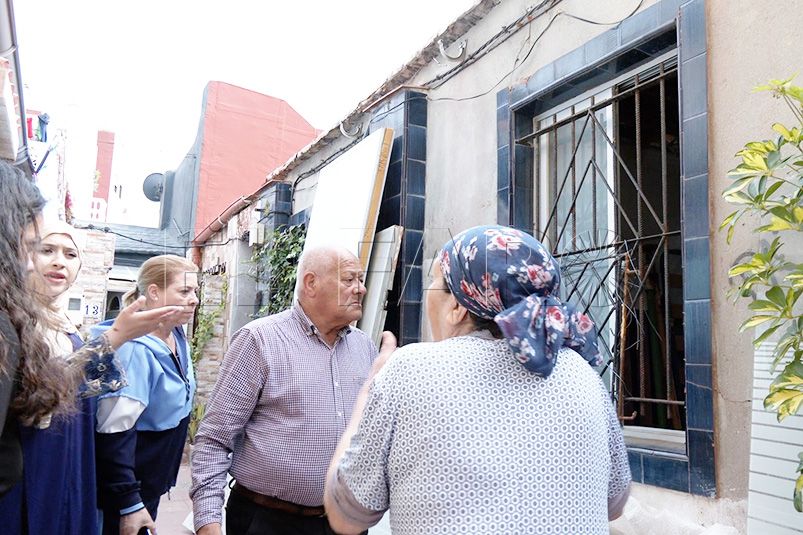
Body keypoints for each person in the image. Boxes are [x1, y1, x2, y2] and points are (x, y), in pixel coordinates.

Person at [325, 225, 632, 535]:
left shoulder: (408, 371)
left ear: (457, 306)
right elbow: (614, 503)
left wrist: (371, 386)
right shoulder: (583, 374)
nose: (428, 290)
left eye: (433, 281)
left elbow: (346, 514)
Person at [0, 161, 182, 501]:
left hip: (72, 459)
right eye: (46, 250)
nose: (59, 262)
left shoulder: (67, 325)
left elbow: (91, 396)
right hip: (33, 469)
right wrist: (116, 338)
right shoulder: (16, 321)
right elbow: (40, 397)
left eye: (70, 254)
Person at [190, 245, 377, 535]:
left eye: (361, 280)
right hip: (268, 521)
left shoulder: (364, 347)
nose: (361, 289)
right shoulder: (259, 341)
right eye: (349, 279)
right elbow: (214, 440)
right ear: (311, 283)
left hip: (344, 523)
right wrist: (208, 525)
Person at [93, 254, 200, 535]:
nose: (194, 300)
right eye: (185, 291)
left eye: (195, 291)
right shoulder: (133, 349)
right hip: (127, 492)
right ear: (154, 293)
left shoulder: (176, 335)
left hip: (152, 483)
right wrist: (129, 503)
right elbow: (114, 432)